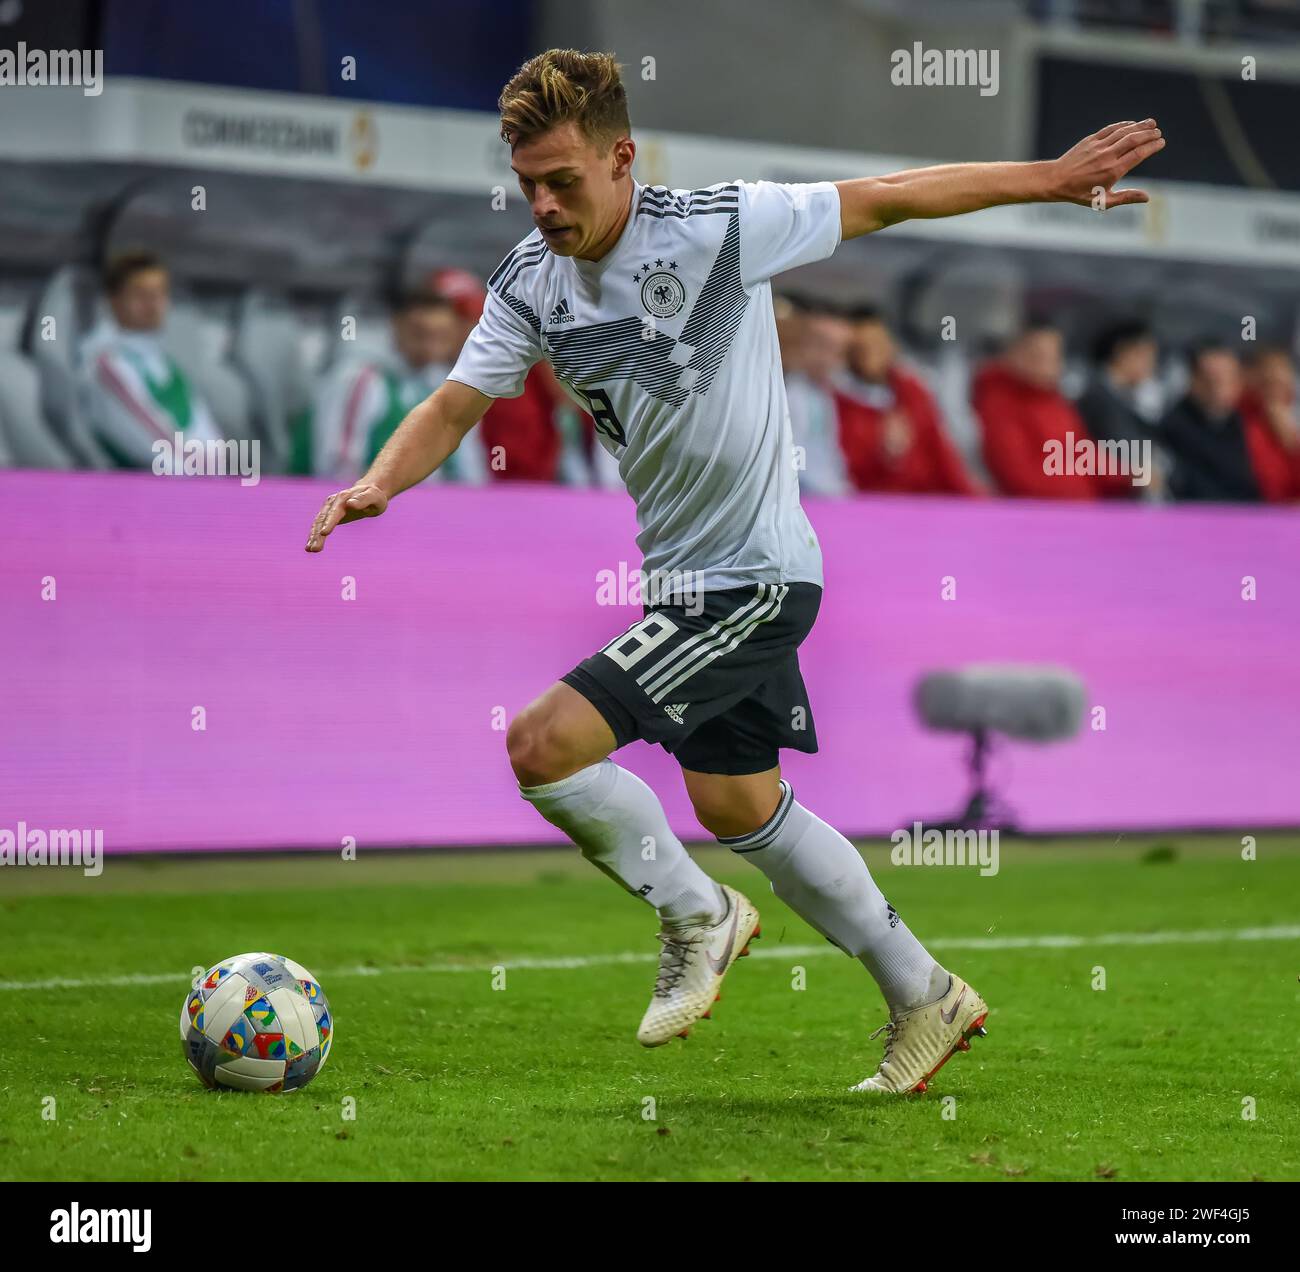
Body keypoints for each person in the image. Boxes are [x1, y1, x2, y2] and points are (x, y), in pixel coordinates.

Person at [306, 48, 1165, 1095]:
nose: (541, 203)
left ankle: (696, 912)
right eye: (526, 181)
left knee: (542, 744)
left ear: (622, 158)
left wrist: (1047, 179)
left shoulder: (718, 226)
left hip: (753, 579)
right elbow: (454, 404)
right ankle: (924, 993)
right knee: (737, 806)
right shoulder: (529, 286)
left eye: (562, 179)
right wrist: (379, 484)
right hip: (685, 583)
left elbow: (887, 199)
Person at [311, 290, 486, 484]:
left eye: (441, 336)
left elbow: (471, 466)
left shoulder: (453, 384)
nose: (430, 346)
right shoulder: (359, 379)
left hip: (436, 509)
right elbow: (339, 466)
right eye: (421, 334)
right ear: (397, 325)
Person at [79, 250, 222, 467]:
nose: (152, 304)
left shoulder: (167, 366)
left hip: (191, 482)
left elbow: (212, 444)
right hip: (139, 490)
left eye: (159, 294)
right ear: (114, 300)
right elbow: (153, 449)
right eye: (140, 294)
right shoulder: (106, 367)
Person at [974, 320, 1133, 499]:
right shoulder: (999, 405)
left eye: (1055, 357)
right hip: (1039, 514)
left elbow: (1083, 452)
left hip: (1079, 508)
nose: (1048, 366)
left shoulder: (1055, 401)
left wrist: (1127, 475)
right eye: (1038, 357)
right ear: (1014, 355)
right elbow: (1018, 477)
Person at [836, 305, 979, 495]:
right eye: (861, 348)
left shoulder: (912, 390)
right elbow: (844, 475)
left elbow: (941, 453)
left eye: (878, 345)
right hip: (877, 505)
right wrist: (886, 456)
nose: (871, 355)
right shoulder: (837, 402)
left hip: (928, 501)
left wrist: (976, 500)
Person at [1160, 343, 1259, 502]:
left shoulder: (1246, 424)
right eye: (1212, 379)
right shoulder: (1174, 428)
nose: (1219, 387)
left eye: (1228, 378)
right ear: (1193, 379)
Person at [781, 297, 854, 497]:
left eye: (839, 353)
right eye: (822, 348)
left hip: (830, 490)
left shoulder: (826, 395)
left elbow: (829, 449)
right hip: (804, 493)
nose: (831, 360)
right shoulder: (790, 394)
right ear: (803, 347)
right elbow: (791, 455)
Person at [1239, 345, 1300, 502]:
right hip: (1261, 514)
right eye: (1268, 383)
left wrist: (1294, 444)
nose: (1274, 376)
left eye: (1282, 371)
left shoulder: (1293, 422)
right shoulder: (1242, 422)